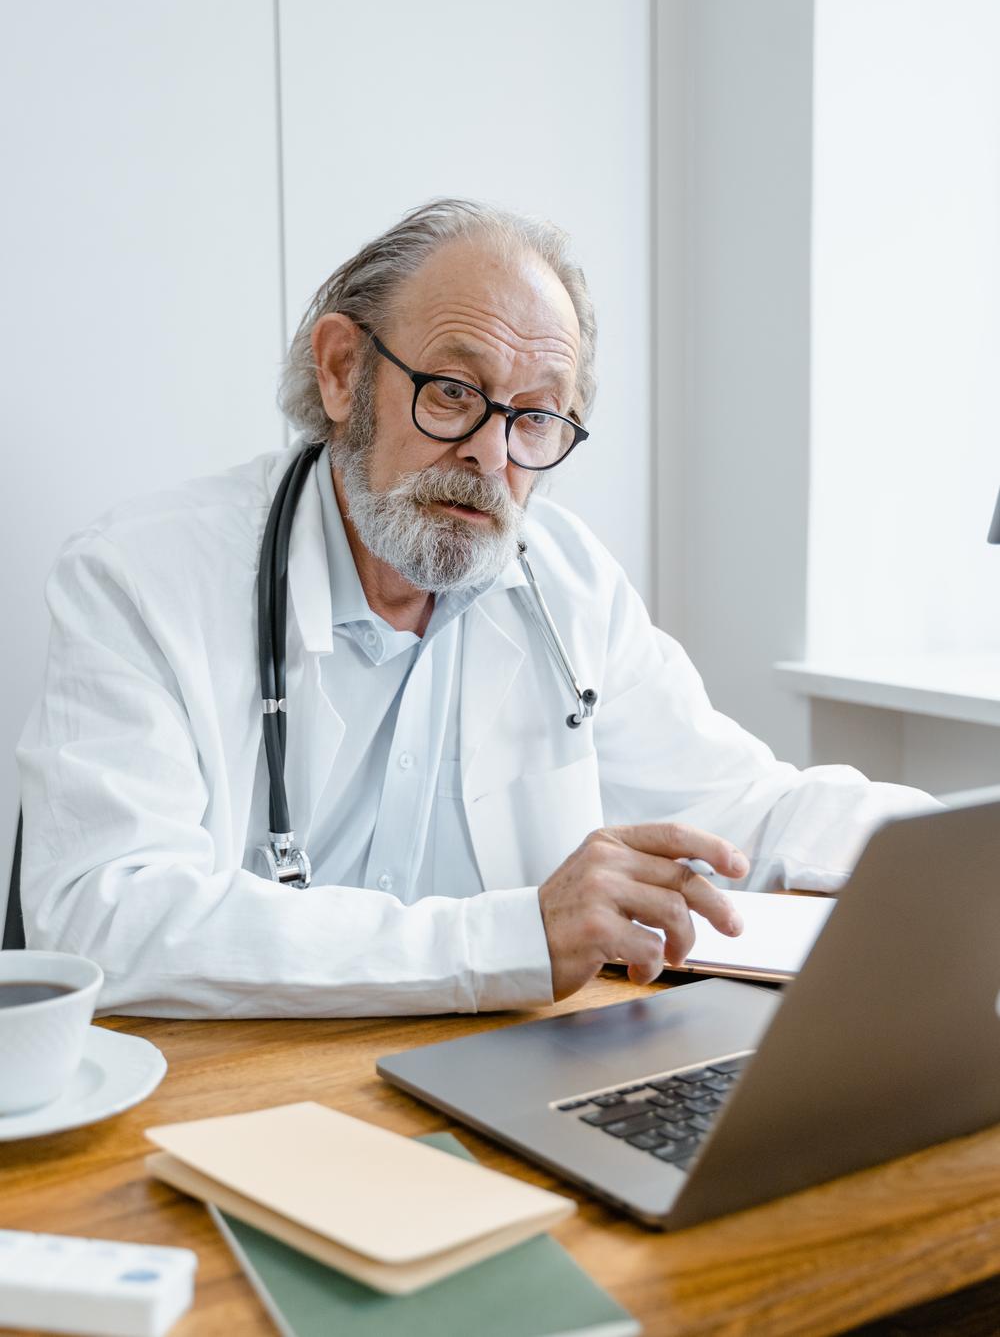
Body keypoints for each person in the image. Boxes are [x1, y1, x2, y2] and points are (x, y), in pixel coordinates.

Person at [16, 199, 934, 1017]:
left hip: (497, 1076)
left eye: (536, 417)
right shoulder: (142, 576)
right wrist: (512, 939)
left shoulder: (565, 579)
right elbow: (103, 914)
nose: (493, 456)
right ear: (342, 373)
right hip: (222, 1105)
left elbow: (744, 810)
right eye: (454, 393)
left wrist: (949, 846)